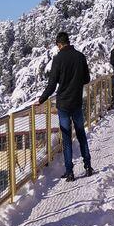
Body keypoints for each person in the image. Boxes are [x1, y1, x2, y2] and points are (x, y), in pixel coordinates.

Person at [38, 32, 93, 182]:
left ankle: (69, 172)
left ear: (59, 44)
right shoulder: (80, 57)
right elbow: (87, 79)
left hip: (63, 104)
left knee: (67, 138)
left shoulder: (57, 59)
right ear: (68, 41)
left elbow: (51, 85)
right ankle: (88, 166)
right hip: (76, 102)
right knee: (81, 134)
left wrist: (41, 99)